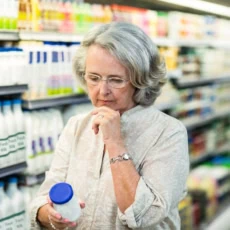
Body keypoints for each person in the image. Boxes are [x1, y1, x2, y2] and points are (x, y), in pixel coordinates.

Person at [30, 22, 189, 229]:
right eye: (94, 78)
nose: (102, 91)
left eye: (115, 80)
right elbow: (44, 197)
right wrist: (50, 216)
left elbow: (147, 215)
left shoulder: (168, 133)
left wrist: (115, 142)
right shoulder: (77, 126)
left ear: (140, 80)